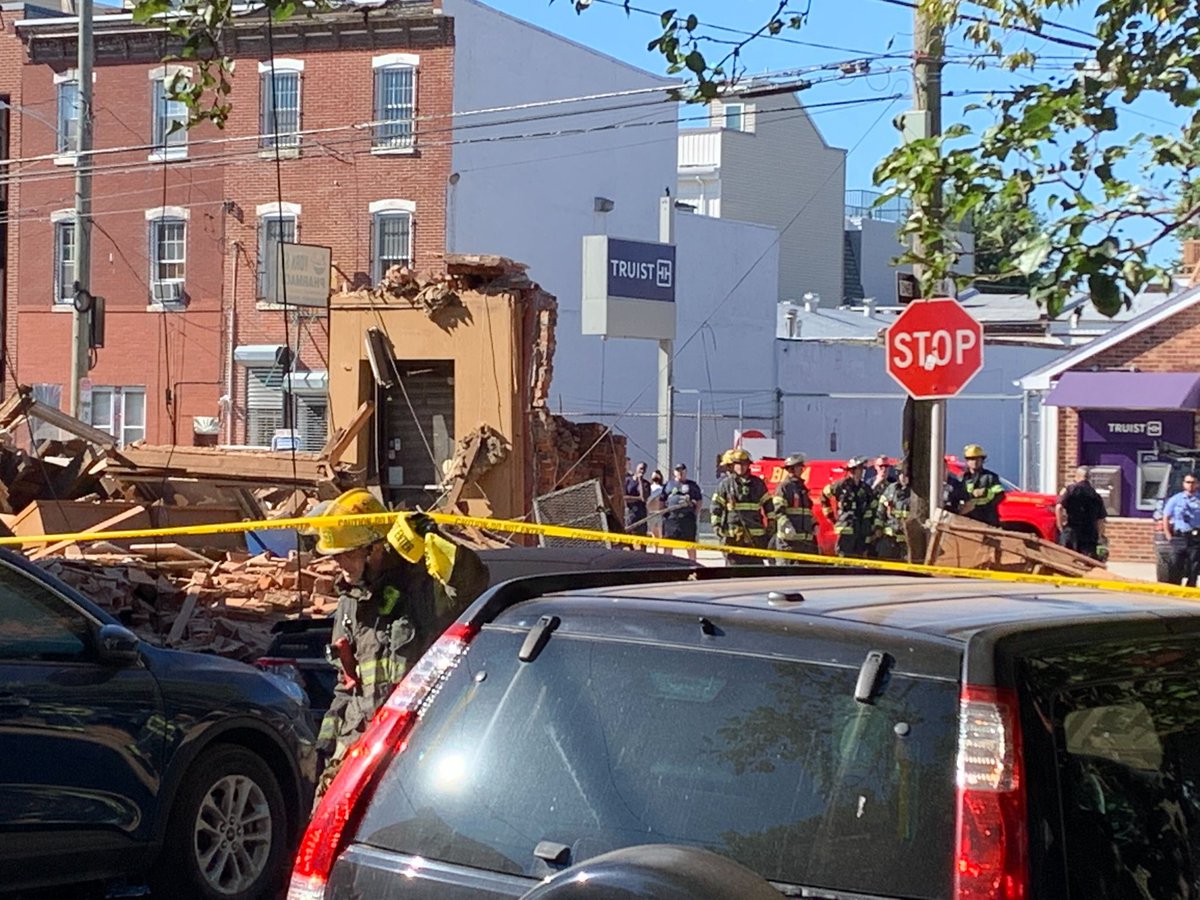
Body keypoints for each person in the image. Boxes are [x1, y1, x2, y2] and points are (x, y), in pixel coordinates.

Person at [314, 488, 488, 796]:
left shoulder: (419, 586)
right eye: (335, 556)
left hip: (414, 750)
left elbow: (470, 585)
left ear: (375, 549)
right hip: (361, 749)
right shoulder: (348, 603)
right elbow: (347, 685)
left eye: (348, 555)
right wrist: (326, 749)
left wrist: (437, 541)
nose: (340, 564)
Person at [711, 448, 773, 564]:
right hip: (733, 537)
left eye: (744, 464)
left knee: (756, 571)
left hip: (755, 538)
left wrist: (771, 522)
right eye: (738, 464)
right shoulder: (725, 484)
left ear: (748, 465)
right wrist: (716, 526)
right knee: (734, 570)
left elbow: (768, 505)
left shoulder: (758, 484)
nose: (741, 467)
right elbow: (716, 507)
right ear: (733, 466)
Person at [820, 456, 878, 558]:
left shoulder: (865, 488)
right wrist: (831, 517)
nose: (862, 471)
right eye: (860, 468)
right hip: (846, 529)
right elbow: (824, 495)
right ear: (852, 470)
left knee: (859, 559)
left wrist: (870, 524)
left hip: (861, 530)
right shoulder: (841, 485)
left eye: (862, 469)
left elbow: (874, 506)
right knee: (844, 558)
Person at [770, 453, 817, 564]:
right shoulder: (784, 487)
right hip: (789, 541)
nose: (802, 470)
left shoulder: (802, 488)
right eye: (799, 467)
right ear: (791, 469)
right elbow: (777, 510)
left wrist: (814, 524)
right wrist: (786, 525)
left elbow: (807, 511)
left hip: (804, 542)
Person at [1057, 466, 1108, 560]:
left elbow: (1059, 507)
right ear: (1089, 478)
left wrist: (1060, 526)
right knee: (1087, 563)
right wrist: (1099, 536)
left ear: (1077, 476)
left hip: (1072, 531)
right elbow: (1101, 520)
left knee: (1067, 560)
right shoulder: (1096, 496)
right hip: (1089, 534)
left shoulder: (1070, 490)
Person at [1163, 473, 1200, 587]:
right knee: (1175, 563)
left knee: (1194, 564)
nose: (1190, 485)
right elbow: (1166, 517)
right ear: (1183, 484)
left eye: (1193, 482)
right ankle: (1174, 587)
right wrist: (1168, 535)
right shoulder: (1175, 499)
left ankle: (1190, 587)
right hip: (1179, 536)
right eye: (1188, 482)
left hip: (1195, 536)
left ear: (1198, 484)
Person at [662, 463, 703, 561]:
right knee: (668, 544)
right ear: (674, 472)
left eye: (682, 470)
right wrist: (663, 513)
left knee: (690, 544)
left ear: (685, 472)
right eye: (678, 470)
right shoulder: (668, 485)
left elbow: (699, 501)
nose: (680, 473)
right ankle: (667, 565)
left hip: (687, 519)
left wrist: (694, 514)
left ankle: (693, 565)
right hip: (671, 519)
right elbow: (662, 500)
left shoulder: (692, 485)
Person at [960, 444, 1006, 528]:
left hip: (987, 518)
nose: (975, 462)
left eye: (978, 459)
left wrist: (986, 493)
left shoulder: (990, 477)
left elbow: (1000, 495)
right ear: (967, 461)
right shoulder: (963, 478)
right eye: (971, 459)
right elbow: (958, 495)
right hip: (969, 518)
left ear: (982, 460)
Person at [876, 470, 912, 561]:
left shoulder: (914, 492)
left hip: (907, 538)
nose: (903, 477)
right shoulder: (891, 489)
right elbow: (881, 510)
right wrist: (878, 527)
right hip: (890, 535)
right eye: (901, 474)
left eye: (906, 475)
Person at [624, 461, 651, 540]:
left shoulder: (646, 483)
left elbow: (644, 498)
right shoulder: (628, 481)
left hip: (641, 513)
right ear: (636, 468)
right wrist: (637, 498)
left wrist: (640, 481)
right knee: (628, 538)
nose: (642, 471)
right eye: (641, 468)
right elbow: (624, 497)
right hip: (630, 513)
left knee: (641, 538)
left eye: (644, 469)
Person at [647, 470, 665, 548]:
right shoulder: (649, 488)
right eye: (654, 476)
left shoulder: (663, 488)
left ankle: (657, 548)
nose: (655, 477)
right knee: (653, 531)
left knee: (659, 532)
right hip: (651, 513)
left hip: (659, 513)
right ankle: (655, 548)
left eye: (657, 476)